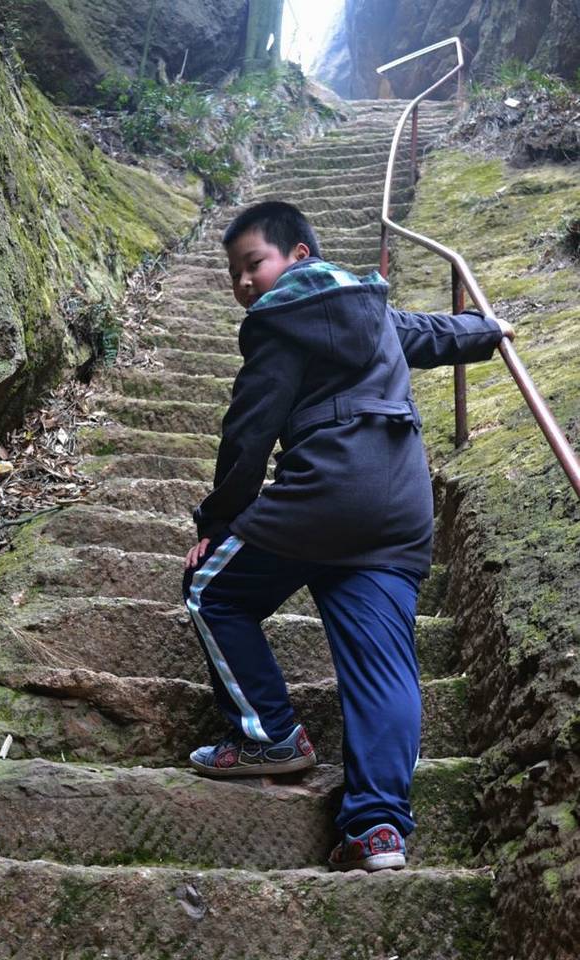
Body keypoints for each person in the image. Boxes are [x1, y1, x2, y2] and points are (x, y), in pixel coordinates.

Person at [182, 200, 514, 873]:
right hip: (400, 505)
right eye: (234, 273)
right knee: (384, 666)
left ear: (297, 257)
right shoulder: (372, 311)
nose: (243, 282)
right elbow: (427, 332)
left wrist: (216, 524)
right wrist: (487, 329)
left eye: (253, 264)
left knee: (208, 588)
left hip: (324, 492)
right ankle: (377, 830)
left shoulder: (278, 324)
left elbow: (248, 433)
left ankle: (269, 735)